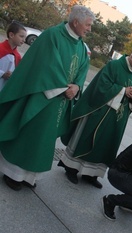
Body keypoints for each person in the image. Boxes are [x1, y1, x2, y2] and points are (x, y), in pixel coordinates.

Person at [0, 5, 95, 191]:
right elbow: (45, 64)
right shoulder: (53, 35)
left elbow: (83, 69)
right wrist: (63, 87)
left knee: (44, 140)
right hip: (42, 97)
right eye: (88, 25)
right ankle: (14, 174)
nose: (90, 29)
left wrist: (76, 87)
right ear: (76, 22)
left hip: (59, 102)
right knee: (31, 135)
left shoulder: (81, 46)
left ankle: (29, 176)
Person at [57, 47, 132, 189]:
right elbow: (101, 86)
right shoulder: (114, 66)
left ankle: (91, 174)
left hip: (117, 118)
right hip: (100, 111)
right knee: (87, 139)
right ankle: (71, 168)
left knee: (105, 145)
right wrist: (123, 91)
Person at [0, 21, 26, 91]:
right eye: (21, 36)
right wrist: (2, 74)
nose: (24, 40)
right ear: (11, 35)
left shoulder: (17, 56)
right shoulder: (0, 48)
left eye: (25, 37)